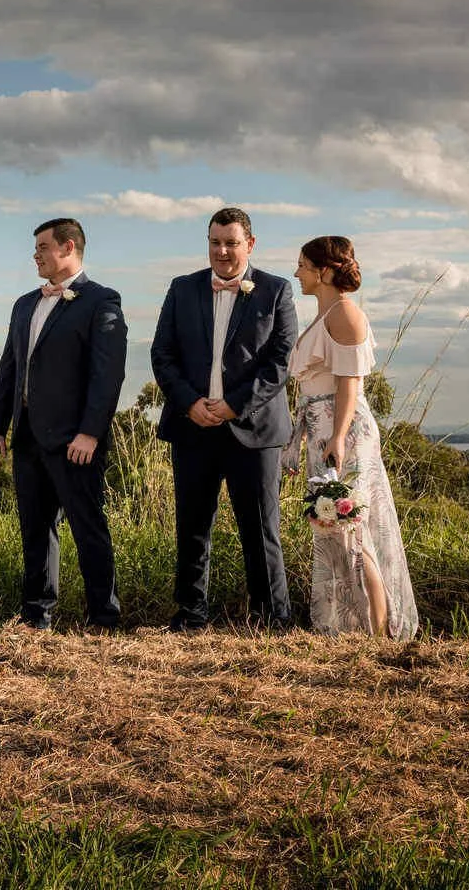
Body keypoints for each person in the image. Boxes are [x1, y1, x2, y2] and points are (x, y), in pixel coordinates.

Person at [150, 207, 298, 632]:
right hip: (192, 426)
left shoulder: (276, 291)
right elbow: (162, 354)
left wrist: (234, 405)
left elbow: (279, 362)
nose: (222, 250)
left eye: (231, 242)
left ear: (249, 244)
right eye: (215, 242)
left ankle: (273, 618)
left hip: (253, 429)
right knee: (193, 527)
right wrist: (190, 403)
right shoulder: (182, 289)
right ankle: (191, 615)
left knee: (260, 528)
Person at [0, 218, 128, 630]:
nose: (36, 254)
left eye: (43, 247)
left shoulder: (101, 300)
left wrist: (90, 432)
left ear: (68, 247)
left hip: (74, 439)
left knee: (88, 528)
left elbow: (108, 374)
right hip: (27, 434)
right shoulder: (24, 304)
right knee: (35, 528)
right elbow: (9, 367)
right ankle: (36, 614)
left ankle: (104, 616)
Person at [285, 237, 418, 639]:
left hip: (342, 431)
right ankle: (350, 625)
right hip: (322, 426)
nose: (297, 273)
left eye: (304, 265)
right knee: (334, 529)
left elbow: (349, 384)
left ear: (324, 271)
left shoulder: (345, 314)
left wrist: (337, 438)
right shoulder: (324, 314)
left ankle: (381, 633)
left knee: (351, 527)